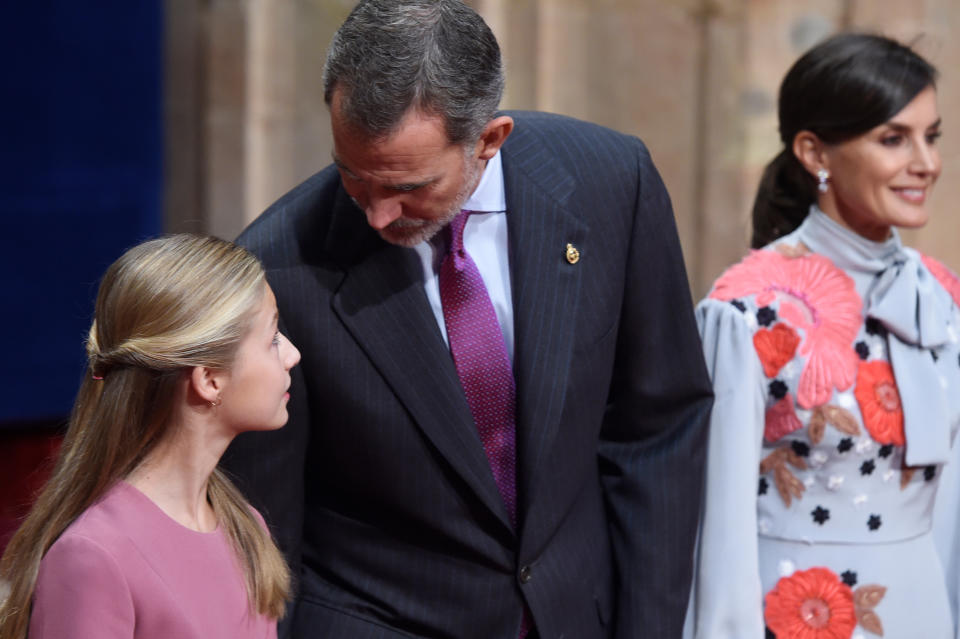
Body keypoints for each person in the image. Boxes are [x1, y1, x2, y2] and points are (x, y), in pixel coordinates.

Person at [223, 1, 714, 637]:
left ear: (489, 140)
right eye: (353, 177)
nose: (375, 215)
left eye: (409, 186)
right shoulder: (277, 265)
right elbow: (266, 527)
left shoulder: (612, 183)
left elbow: (657, 426)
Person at [685, 33, 960, 639]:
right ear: (815, 153)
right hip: (796, 613)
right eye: (894, 139)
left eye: (931, 136)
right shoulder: (748, 311)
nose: (927, 163)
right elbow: (715, 526)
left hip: (927, 614)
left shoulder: (942, 297)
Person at [0, 235, 301, 639]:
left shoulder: (247, 529)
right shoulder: (94, 557)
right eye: (272, 338)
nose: (292, 354)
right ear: (209, 380)